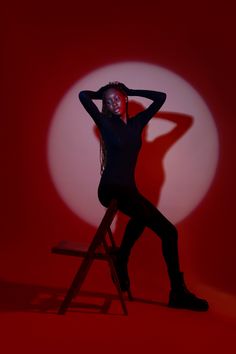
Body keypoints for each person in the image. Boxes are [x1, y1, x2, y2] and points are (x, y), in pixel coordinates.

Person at [79, 82, 209, 311]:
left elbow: (161, 97)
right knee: (143, 213)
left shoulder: (137, 123)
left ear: (125, 98)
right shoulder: (105, 122)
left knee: (169, 232)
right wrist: (103, 93)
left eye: (117, 98)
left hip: (130, 191)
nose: (113, 103)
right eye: (108, 101)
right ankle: (123, 258)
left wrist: (130, 91)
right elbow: (83, 95)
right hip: (110, 188)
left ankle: (176, 292)